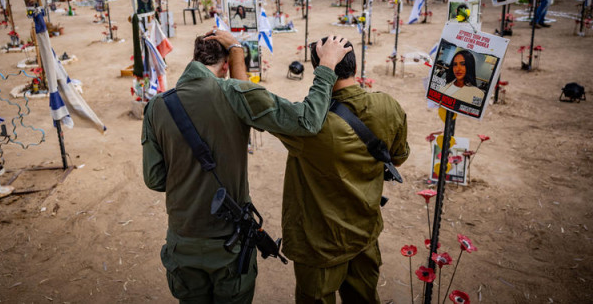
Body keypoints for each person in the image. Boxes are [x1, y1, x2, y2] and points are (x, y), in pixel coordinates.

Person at [142, 31, 351, 304]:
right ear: (226, 65)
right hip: (228, 245)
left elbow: (155, 179)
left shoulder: (157, 106)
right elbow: (308, 121)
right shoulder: (234, 94)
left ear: (195, 58)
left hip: (183, 243)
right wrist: (327, 67)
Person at [272, 38, 409, 304]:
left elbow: (257, 109)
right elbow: (398, 159)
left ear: (319, 68)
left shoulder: (307, 125)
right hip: (364, 235)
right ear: (354, 65)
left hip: (319, 244)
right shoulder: (388, 106)